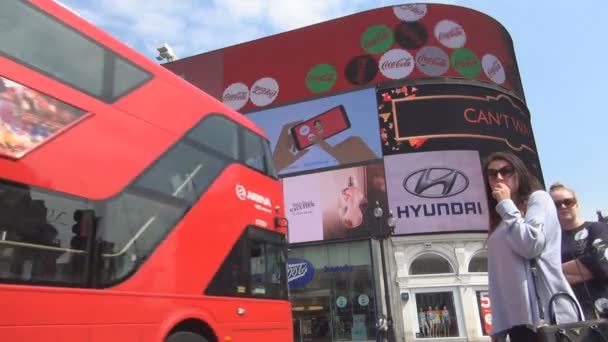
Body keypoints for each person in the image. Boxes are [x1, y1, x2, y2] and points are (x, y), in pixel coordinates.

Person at [483, 152, 581, 342]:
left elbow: (530, 246)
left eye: (506, 171)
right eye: (492, 174)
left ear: (519, 172)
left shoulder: (538, 199)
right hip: (516, 322)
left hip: (544, 314)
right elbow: (497, 275)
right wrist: (498, 324)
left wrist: (505, 203)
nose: (499, 178)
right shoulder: (499, 216)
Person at [549, 182, 608, 319]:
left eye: (568, 202)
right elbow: (543, 277)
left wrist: (555, 272)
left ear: (577, 204)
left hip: (603, 310)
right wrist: (587, 268)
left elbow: (602, 263)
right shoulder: (549, 241)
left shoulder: (597, 229)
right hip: (570, 316)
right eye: (556, 204)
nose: (563, 206)